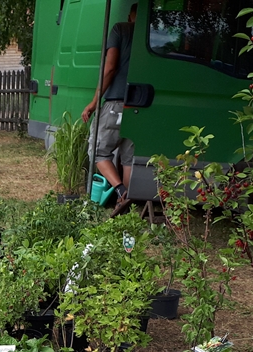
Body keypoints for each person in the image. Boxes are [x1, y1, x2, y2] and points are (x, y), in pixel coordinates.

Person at [82, 3, 137, 216]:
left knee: (98, 151)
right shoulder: (154, 37)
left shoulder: (120, 29)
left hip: (116, 104)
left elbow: (110, 67)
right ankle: (126, 203)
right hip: (140, 105)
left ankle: (121, 191)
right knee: (129, 158)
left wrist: (94, 102)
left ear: (130, 16)